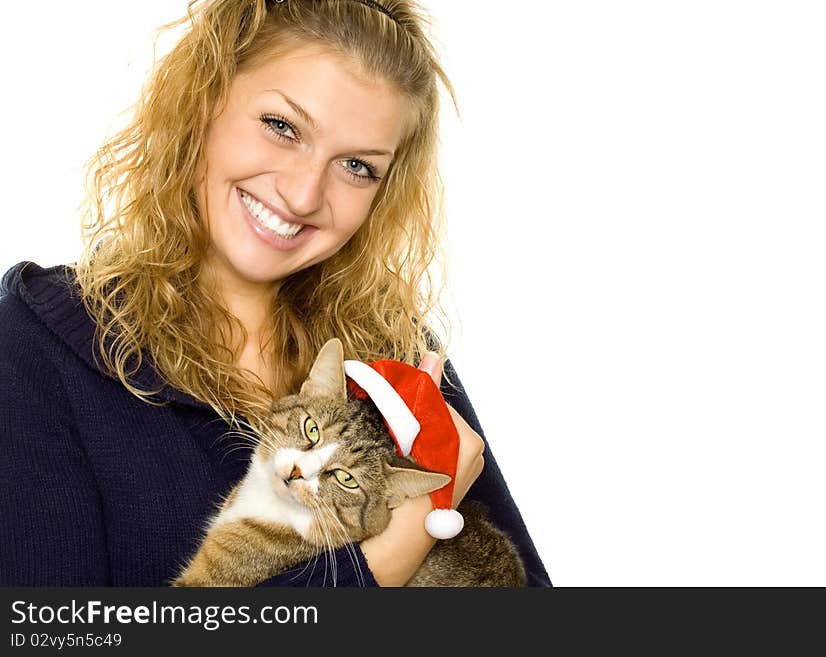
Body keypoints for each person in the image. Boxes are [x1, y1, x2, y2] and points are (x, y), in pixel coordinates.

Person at [0, 0, 551, 587]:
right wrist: (402, 541)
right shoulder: (35, 349)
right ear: (204, 99)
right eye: (283, 127)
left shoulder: (394, 350)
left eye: (358, 166)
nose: (303, 195)